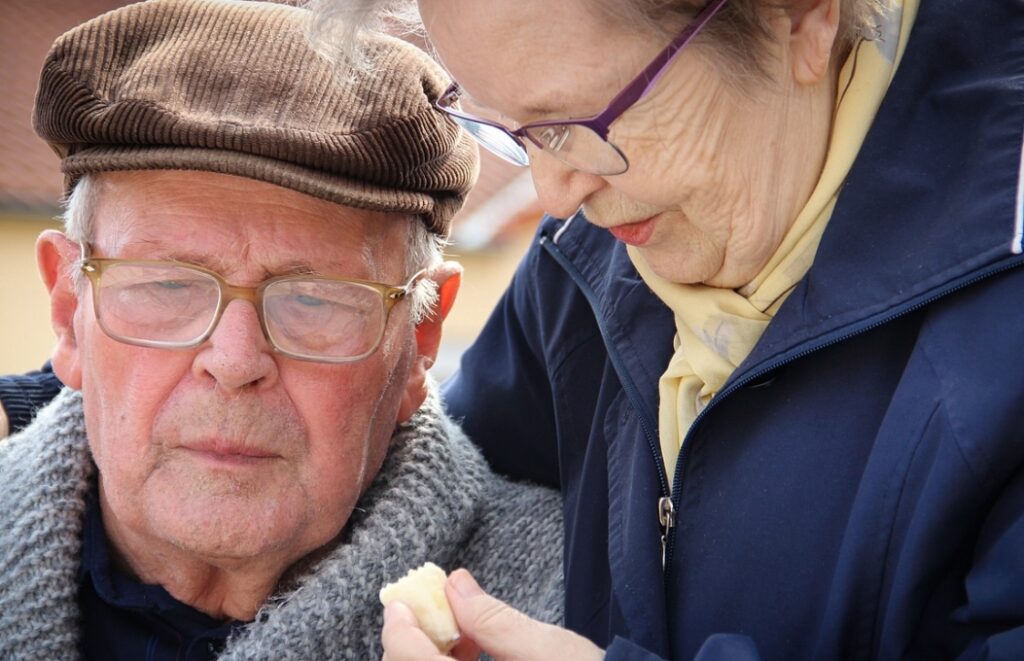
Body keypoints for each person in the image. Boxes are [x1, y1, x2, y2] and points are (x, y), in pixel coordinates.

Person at [325, 0, 1020, 659]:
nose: (555, 192)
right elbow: (446, 489)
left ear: (802, 18)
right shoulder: (580, 273)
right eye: (511, 129)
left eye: (586, 121)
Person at [0, 0, 563, 658]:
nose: (236, 360)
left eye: (315, 299)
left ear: (421, 337)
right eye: (168, 284)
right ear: (69, 312)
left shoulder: (570, 606)